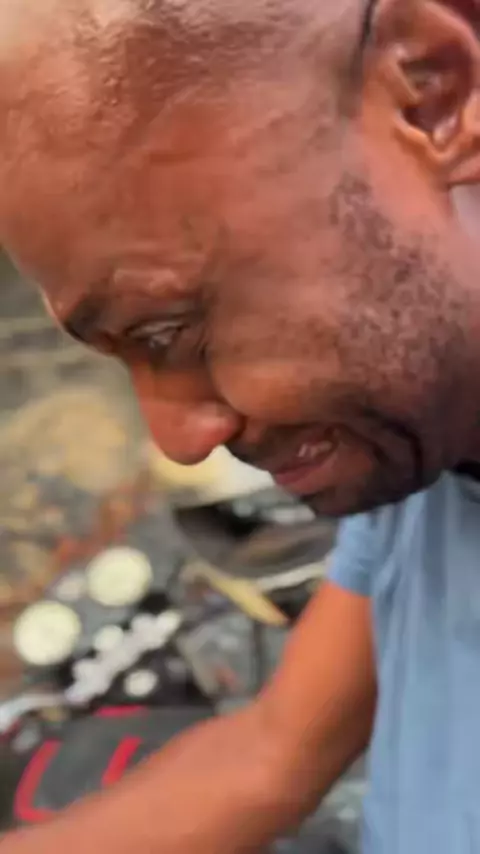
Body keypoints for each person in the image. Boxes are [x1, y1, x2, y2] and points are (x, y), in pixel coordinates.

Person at [0, 0, 480, 851]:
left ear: (433, 96)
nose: (178, 440)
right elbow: (275, 751)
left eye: (173, 332)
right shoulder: (422, 436)